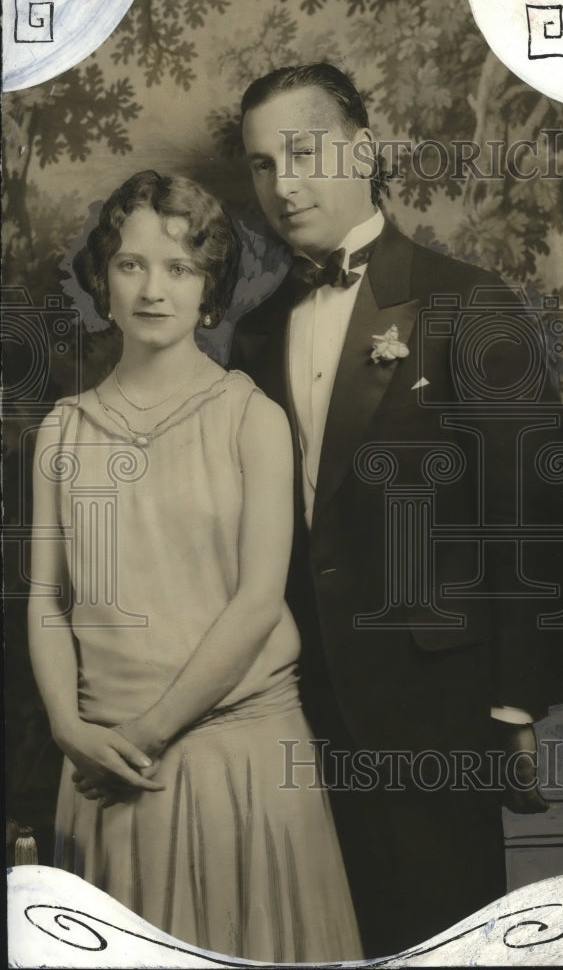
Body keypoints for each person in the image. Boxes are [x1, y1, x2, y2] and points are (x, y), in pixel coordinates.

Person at [230, 64, 563, 956]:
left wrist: (514, 707)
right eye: (264, 165)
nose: (284, 184)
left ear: (364, 147)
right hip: (293, 711)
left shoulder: (469, 302)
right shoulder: (257, 333)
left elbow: (533, 513)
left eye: (301, 153)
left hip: (438, 710)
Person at [28, 170, 362, 962]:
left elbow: (254, 605)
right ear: (102, 281)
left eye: (180, 268)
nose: (154, 289)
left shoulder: (253, 418)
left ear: (209, 290)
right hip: (102, 768)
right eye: (132, 264)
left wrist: (143, 735)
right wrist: (72, 732)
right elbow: (46, 597)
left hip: (237, 760)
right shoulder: (62, 431)